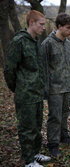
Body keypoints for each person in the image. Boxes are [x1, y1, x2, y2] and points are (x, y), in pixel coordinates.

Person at [4, 10, 51, 167]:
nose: (44, 27)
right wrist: (18, 88)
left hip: (37, 92)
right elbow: (9, 69)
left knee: (37, 126)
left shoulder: (35, 41)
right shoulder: (19, 42)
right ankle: (28, 160)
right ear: (31, 23)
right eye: (41, 24)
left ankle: (35, 153)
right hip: (25, 93)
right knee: (27, 128)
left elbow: (38, 67)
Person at [41, 13, 70, 158]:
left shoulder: (69, 44)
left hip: (67, 86)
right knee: (54, 116)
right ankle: (53, 144)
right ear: (59, 26)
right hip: (54, 88)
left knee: (65, 113)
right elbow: (43, 68)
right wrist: (45, 89)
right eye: (68, 28)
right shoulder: (47, 44)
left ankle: (64, 136)